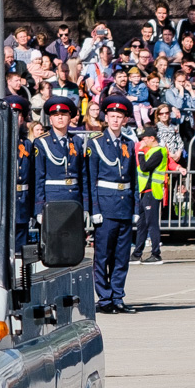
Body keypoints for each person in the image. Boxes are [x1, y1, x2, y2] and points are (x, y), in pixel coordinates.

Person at [84, 95, 138, 312]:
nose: (115, 120)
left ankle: (117, 297)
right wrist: (94, 209)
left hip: (124, 206)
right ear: (106, 117)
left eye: (120, 117)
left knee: (121, 257)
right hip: (105, 207)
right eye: (112, 116)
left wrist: (135, 208)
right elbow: (91, 180)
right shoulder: (95, 143)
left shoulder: (129, 144)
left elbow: (133, 179)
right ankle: (104, 299)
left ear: (125, 120)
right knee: (103, 256)